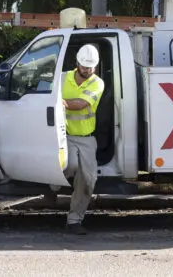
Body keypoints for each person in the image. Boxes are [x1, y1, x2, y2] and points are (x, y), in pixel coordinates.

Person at [61, 43, 105, 235]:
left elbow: (80, 104)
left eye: (91, 66)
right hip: (64, 136)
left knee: (88, 180)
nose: (88, 70)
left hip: (86, 138)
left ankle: (74, 221)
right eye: (85, 66)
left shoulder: (97, 83)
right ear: (77, 63)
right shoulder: (62, 78)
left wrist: (60, 102)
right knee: (69, 165)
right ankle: (54, 183)